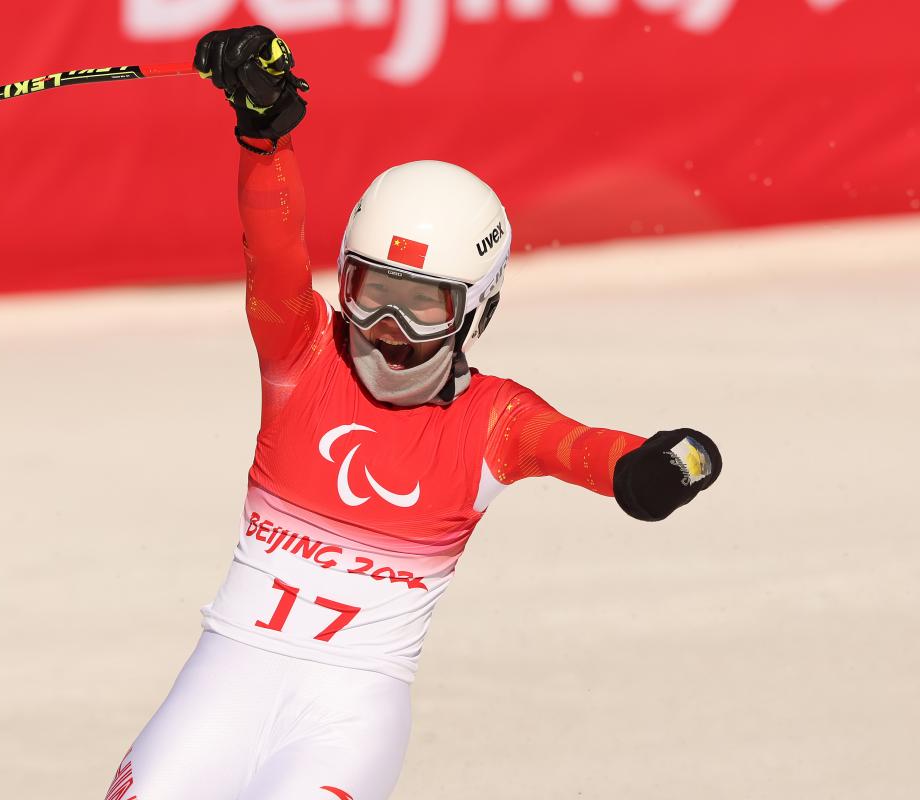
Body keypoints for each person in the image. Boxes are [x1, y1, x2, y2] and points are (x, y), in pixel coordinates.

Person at [104, 26, 722, 800]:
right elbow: (275, 249)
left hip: (348, 717)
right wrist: (264, 140)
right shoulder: (302, 355)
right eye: (369, 294)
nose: (388, 331)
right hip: (225, 683)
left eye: (422, 307)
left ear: (475, 312)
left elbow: (582, 450)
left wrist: (648, 466)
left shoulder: (497, 421)